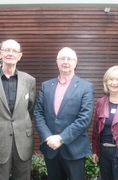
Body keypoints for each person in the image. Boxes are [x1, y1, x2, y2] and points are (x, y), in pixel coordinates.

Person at [34, 47, 94, 180]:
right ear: (57, 62)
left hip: (74, 149)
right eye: (62, 58)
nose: (65, 62)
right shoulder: (46, 86)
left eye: (69, 59)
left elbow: (84, 119)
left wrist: (61, 138)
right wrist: (48, 137)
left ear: (76, 63)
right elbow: (38, 113)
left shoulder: (86, 87)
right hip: (51, 149)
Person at [0, 39, 36, 180]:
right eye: (7, 50)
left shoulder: (29, 80)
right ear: (0, 53)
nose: (10, 53)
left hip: (23, 141)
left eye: (14, 51)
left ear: (20, 56)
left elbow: (30, 109)